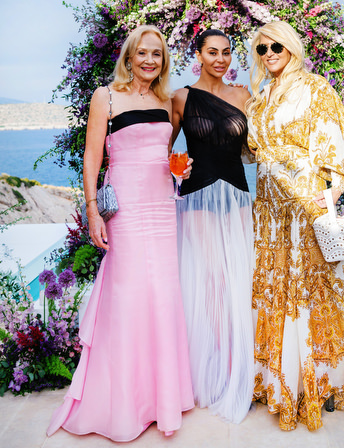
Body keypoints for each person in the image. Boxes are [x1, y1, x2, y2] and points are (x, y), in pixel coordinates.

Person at [47, 25, 194, 441]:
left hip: (163, 205)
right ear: (129, 56)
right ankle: (125, 402)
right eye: (143, 53)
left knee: (162, 295)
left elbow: (165, 155)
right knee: (128, 295)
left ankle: (160, 397)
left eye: (158, 55)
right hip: (125, 208)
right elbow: (92, 155)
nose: (150, 60)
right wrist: (92, 210)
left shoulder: (167, 101)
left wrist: (180, 170)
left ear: (163, 61)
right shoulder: (105, 96)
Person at [246, 20, 344, 432]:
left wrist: (333, 191)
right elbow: (250, 151)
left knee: (310, 288)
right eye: (262, 49)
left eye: (275, 46)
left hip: (304, 198)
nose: (269, 55)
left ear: (292, 47)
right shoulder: (260, 97)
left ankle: (319, 383)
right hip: (269, 204)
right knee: (277, 287)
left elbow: (334, 139)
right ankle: (282, 383)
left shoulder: (316, 89)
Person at [171, 29, 254, 424]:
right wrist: (172, 166)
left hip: (237, 195)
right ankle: (219, 372)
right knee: (212, 280)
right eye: (212, 52)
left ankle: (242, 369)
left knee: (242, 278)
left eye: (226, 52)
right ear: (199, 55)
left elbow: (262, 148)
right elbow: (159, 146)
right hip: (199, 195)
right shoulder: (181, 97)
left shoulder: (243, 96)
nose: (220, 59)